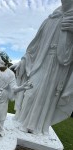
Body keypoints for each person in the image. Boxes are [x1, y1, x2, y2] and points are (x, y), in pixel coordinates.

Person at [11, 0, 73, 135]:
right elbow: (35, 45)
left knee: (47, 97)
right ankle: (23, 122)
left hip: (58, 67)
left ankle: (36, 127)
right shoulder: (51, 18)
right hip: (41, 62)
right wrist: (23, 60)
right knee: (30, 93)